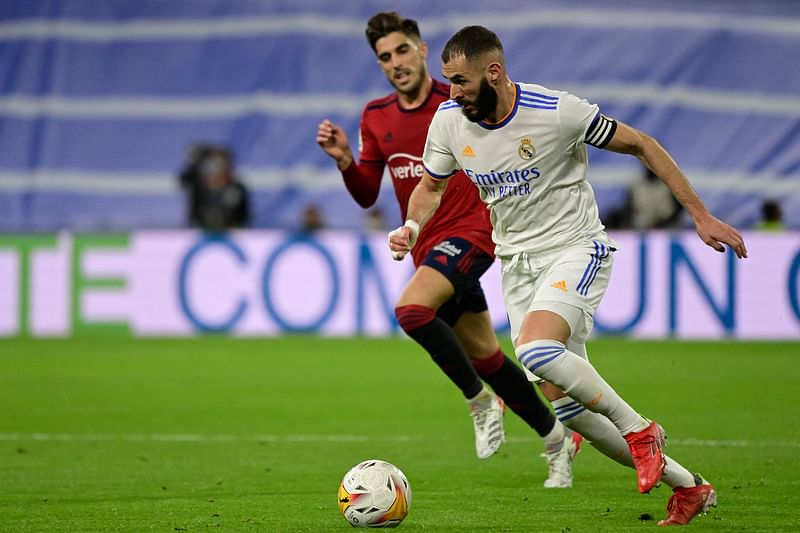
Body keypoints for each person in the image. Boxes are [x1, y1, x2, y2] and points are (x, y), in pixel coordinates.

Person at [389, 25, 748, 526]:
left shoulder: (557, 111)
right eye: (449, 81)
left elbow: (642, 144)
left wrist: (701, 215)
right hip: (517, 265)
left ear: (493, 72)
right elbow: (430, 186)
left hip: (575, 248)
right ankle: (690, 487)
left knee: (536, 350)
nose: (453, 92)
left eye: (461, 81)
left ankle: (641, 430)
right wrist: (410, 224)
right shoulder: (450, 122)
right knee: (568, 409)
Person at [316, 12, 581, 488]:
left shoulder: (457, 99)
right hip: (426, 246)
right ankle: (555, 438)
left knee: (412, 310)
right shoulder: (376, 116)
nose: (395, 63)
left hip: (472, 231)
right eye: (384, 57)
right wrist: (344, 162)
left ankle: (478, 401)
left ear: (421, 50)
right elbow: (365, 193)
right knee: (487, 356)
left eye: (401, 50)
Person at [179, 144, 250, 231]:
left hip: (230, 233)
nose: (215, 169)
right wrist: (194, 162)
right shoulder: (199, 187)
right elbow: (184, 180)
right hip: (200, 232)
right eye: (211, 164)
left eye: (220, 164)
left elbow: (243, 218)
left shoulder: (237, 189)